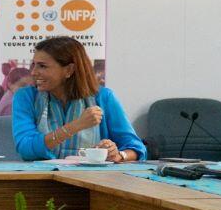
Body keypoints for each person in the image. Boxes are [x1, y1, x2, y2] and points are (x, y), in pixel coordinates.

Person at [12, 36, 146, 162]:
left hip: (92, 180)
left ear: (69, 70)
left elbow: (136, 149)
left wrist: (118, 155)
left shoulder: (104, 97)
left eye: (42, 66)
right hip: (42, 180)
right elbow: (26, 148)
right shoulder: (25, 97)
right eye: (33, 65)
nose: (33, 72)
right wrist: (76, 125)